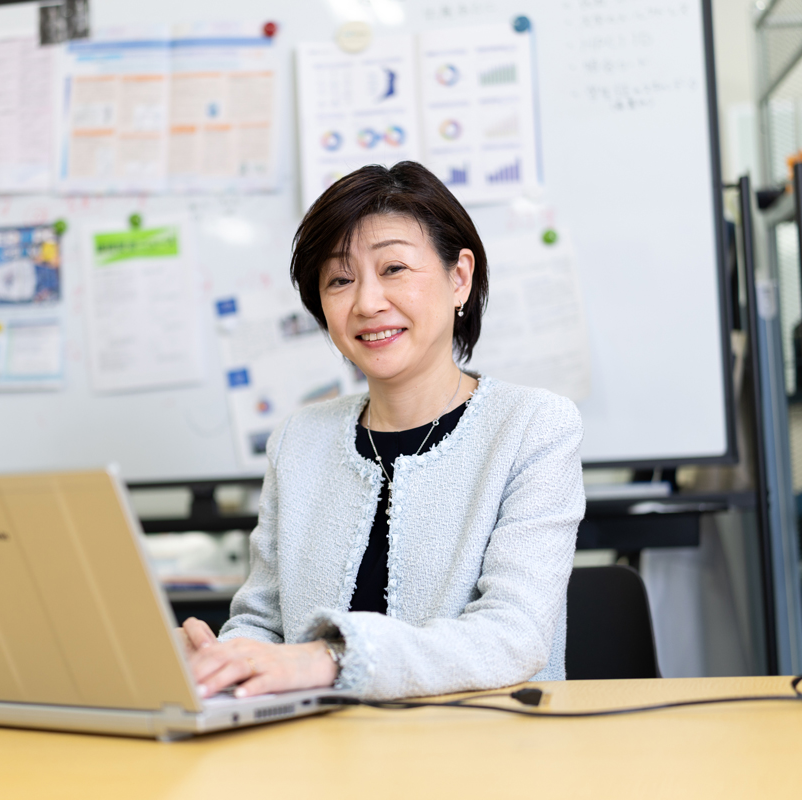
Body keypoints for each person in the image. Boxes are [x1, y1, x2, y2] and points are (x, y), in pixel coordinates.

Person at [181, 162, 585, 701]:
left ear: (459, 277)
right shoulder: (299, 440)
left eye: (394, 268)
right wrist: (223, 663)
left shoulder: (533, 427)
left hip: (484, 756)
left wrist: (329, 658)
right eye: (340, 280)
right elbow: (263, 625)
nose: (367, 303)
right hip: (319, 759)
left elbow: (513, 637)